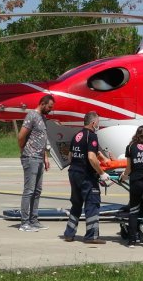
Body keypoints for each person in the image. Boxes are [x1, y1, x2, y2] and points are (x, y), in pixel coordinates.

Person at [63, 111, 110, 244]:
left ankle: (69, 234)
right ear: (93, 123)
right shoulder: (92, 136)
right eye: (98, 123)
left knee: (76, 204)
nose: (98, 126)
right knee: (92, 203)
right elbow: (91, 156)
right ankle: (91, 236)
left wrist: (104, 159)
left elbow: (70, 156)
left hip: (73, 172)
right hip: (86, 175)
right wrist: (102, 173)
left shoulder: (77, 135)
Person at [17, 94, 55, 232]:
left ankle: (33, 220)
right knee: (29, 190)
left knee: (37, 191)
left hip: (39, 157)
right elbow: (21, 136)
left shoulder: (43, 118)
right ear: (43, 103)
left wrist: (45, 157)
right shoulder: (32, 115)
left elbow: (42, 139)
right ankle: (24, 223)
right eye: (49, 107)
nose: (50, 110)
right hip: (30, 157)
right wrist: (24, 150)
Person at [119, 126, 143, 248]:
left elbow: (129, 168)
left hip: (136, 182)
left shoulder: (130, 147)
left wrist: (123, 176)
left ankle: (132, 241)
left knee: (134, 211)